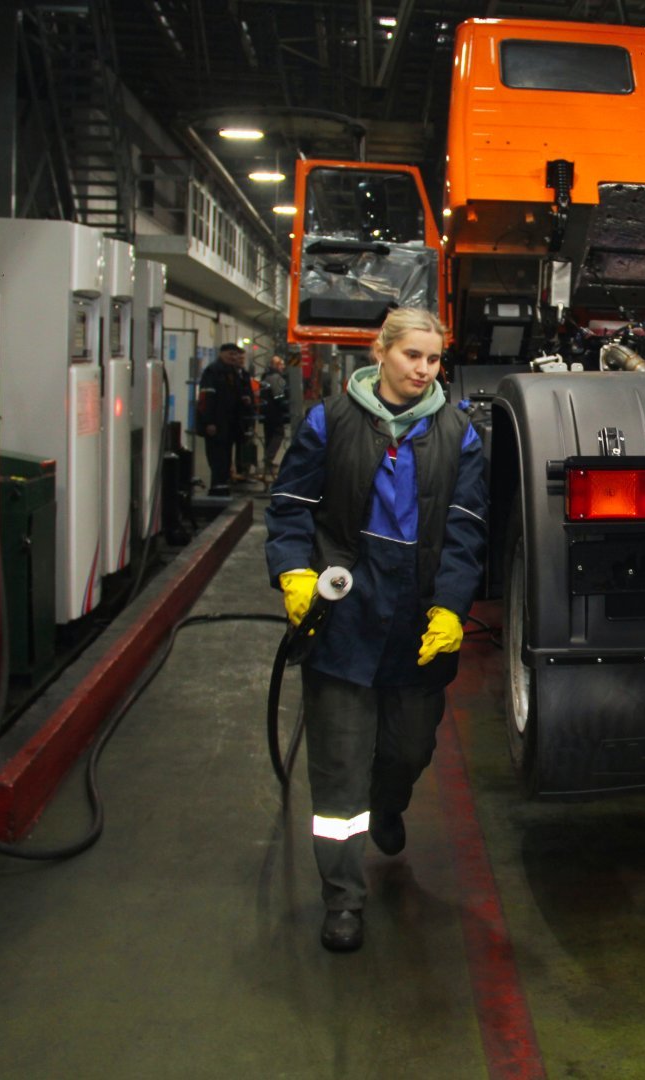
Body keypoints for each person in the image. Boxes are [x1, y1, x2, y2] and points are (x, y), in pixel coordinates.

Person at [264, 308, 487, 953]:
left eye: (434, 360)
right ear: (382, 352)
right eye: (412, 355)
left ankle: (390, 804)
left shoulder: (458, 433)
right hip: (345, 619)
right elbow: (291, 509)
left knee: (407, 749)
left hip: (414, 622)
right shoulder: (328, 421)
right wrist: (294, 576)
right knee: (339, 771)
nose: (423, 370)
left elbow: (466, 529)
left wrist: (449, 606)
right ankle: (343, 899)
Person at [196, 342, 250, 496]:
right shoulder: (213, 372)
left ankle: (223, 487)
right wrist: (209, 422)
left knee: (225, 458)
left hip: (229, 425)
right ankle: (216, 489)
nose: (233, 357)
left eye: (235, 354)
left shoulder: (232, 373)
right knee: (217, 458)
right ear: (221, 354)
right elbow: (206, 398)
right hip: (216, 424)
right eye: (230, 354)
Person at [259, 354, 291, 481]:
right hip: (275, 412)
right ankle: (268, 458)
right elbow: (279, 396)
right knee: (278, 434)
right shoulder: (276, 378)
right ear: (275, 365)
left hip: (266, 411)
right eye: (281, 364)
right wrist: (286, 408)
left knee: (269, 435)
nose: (283, 366)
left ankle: (268, 460)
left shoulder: (265, 377)